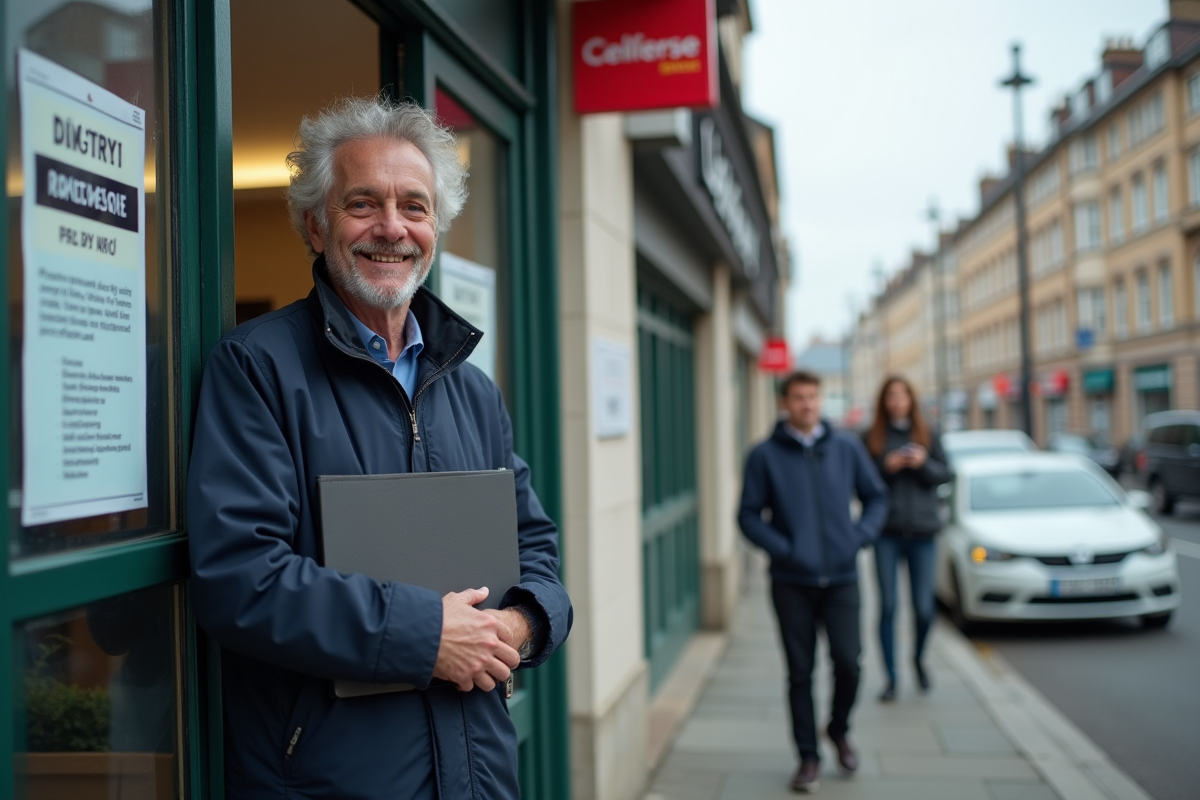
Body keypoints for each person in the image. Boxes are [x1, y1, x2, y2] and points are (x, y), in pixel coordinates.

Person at [186, 96, 571, 800]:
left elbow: (536, 547)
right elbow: (241, 576)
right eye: (362, 204)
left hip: (477, 770)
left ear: (436, 229)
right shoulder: (257, 368)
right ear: (314, 224)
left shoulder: (472, 389)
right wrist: (429, 636)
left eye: (414, 207)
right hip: (328, 778)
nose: (392, 227)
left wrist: (520, 624)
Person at [738, 370, 888, 794]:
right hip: (791, 582)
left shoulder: (846, 447)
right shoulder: (764, 455)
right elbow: (748, 516)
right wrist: (785, 549)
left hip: (842, 578)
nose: (807, 404)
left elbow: (876, 496)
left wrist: (859, 537)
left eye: (813, 397)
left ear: (821, 401)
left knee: (849, 662)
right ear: (785, 402)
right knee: (800, 674)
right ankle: (807, 757)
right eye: (799, 397)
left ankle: (838, 728)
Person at [863, 376, 950, 702]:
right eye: (891, 396)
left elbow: (945, 474)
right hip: (886, 532)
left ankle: (918, 659)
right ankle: (890, 676)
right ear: (883, 401)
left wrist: (922, 463)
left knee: (924, 608)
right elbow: (862, 482)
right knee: (887, 606)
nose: (897, 401)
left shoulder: (928, 433)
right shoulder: (871, 437)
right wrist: (886, 466)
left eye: (902, 395)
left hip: (923, 532)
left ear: (911, 399)